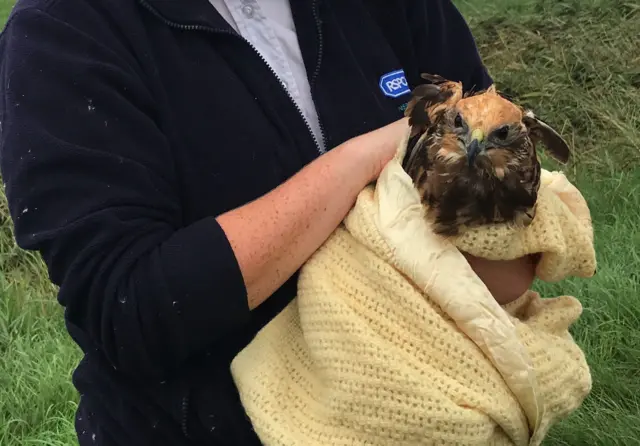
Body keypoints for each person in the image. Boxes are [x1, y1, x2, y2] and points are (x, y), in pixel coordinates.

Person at [0, 0, 538, 444]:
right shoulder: (62, 31)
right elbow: (129, 308)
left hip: (435, 413)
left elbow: (506, 166)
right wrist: (367, 159)